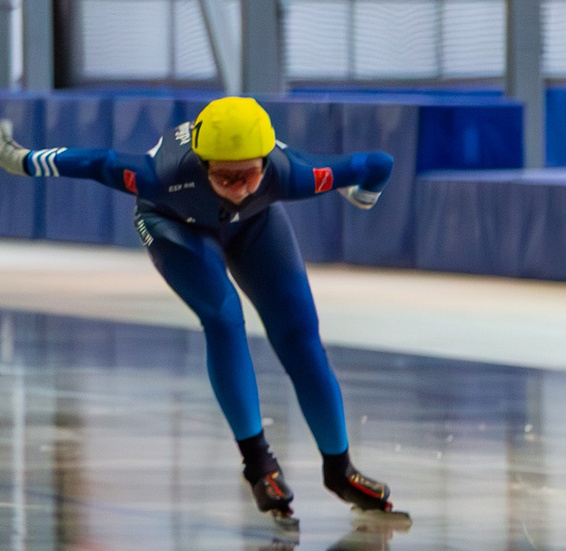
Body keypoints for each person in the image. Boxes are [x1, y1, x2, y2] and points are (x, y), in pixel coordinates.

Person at [0, 97, 399, 523]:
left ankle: (340, 470)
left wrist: (362, 196)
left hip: (255, 225)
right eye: (225, 177)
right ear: (202, 164)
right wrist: (17, 159)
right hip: (172, 223)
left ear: (266, 162)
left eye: (248, 174)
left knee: (300, 338)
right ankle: (259, 465)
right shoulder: (159, 176)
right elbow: (96, 162)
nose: (239, 187)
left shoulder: (293, 175)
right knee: (224, 318)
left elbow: (379, 163)